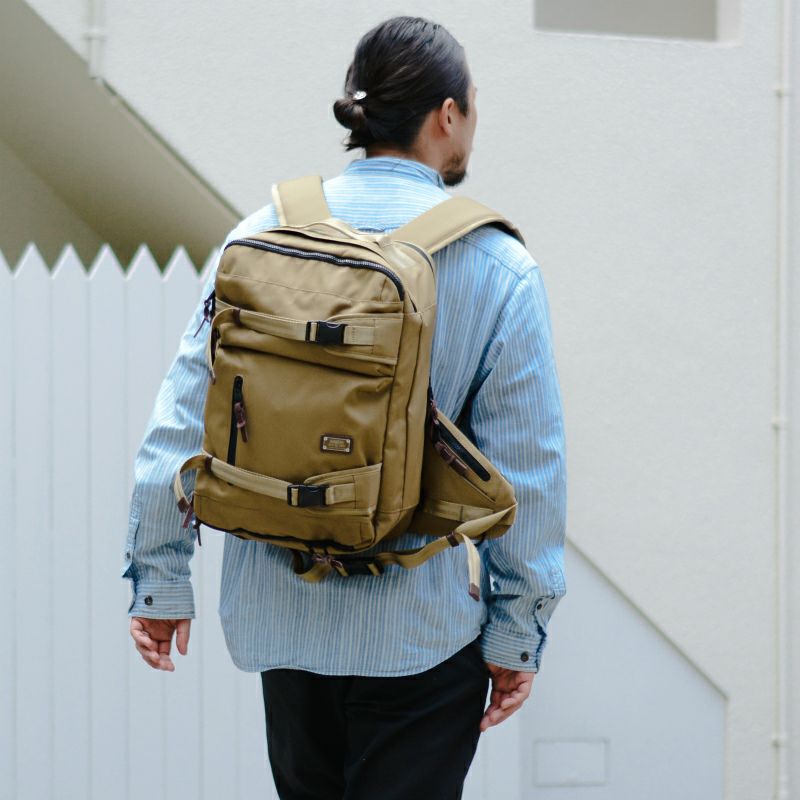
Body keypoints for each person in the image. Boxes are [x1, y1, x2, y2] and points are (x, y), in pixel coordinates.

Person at [123, 14, 567, 800]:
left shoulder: (261, 234)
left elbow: (182, 420)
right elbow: (528, 470)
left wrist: (160, 578)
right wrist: (516, 632)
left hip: (282, 624)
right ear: (448, 114)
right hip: (418, 635)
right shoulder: (498, 266)